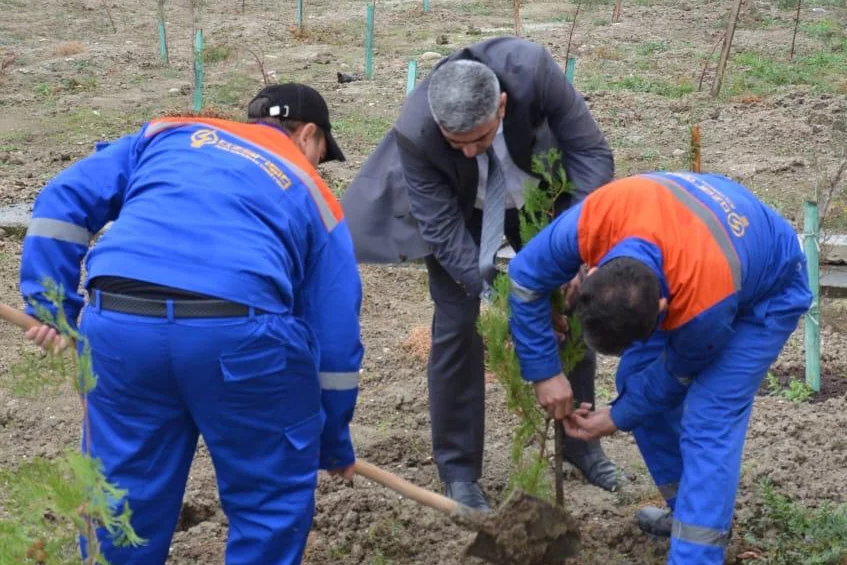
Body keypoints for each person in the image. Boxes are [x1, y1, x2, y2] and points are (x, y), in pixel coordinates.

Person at [19, 83, 364, 565]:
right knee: (268, 501)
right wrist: (329, 442)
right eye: (322, 153)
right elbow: (335, 333)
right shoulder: (312, 188)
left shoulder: (166, 135)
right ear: (309, 135)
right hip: (240, 339)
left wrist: (52, 306)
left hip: (121, 328)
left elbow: (61, 200)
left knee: (121, 497)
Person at [341, 35, 621, 510]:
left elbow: (591, 155)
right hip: (464, 215)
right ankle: (459, 470)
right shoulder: (416, 131)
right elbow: (441, 229)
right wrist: (505, 299)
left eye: (480, 139)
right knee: (458, 327)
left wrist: (576, 249)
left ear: (503, 107)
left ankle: (579, 441)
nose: (469, 152)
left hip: (542, 203)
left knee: (573, 312)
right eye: (457, 143)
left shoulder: (531, 70)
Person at [506, 171, 813, 565]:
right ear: (592, 273)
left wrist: (615, 416)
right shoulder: (601, 214)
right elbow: (524, 278)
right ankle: (688, 510)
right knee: (635, 380)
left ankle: (696, 555)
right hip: (703, 248)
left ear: (664, 311)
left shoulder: (703, 310)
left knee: (709, 417)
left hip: (769, 290)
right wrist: (544, 370)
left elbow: (675, 376)